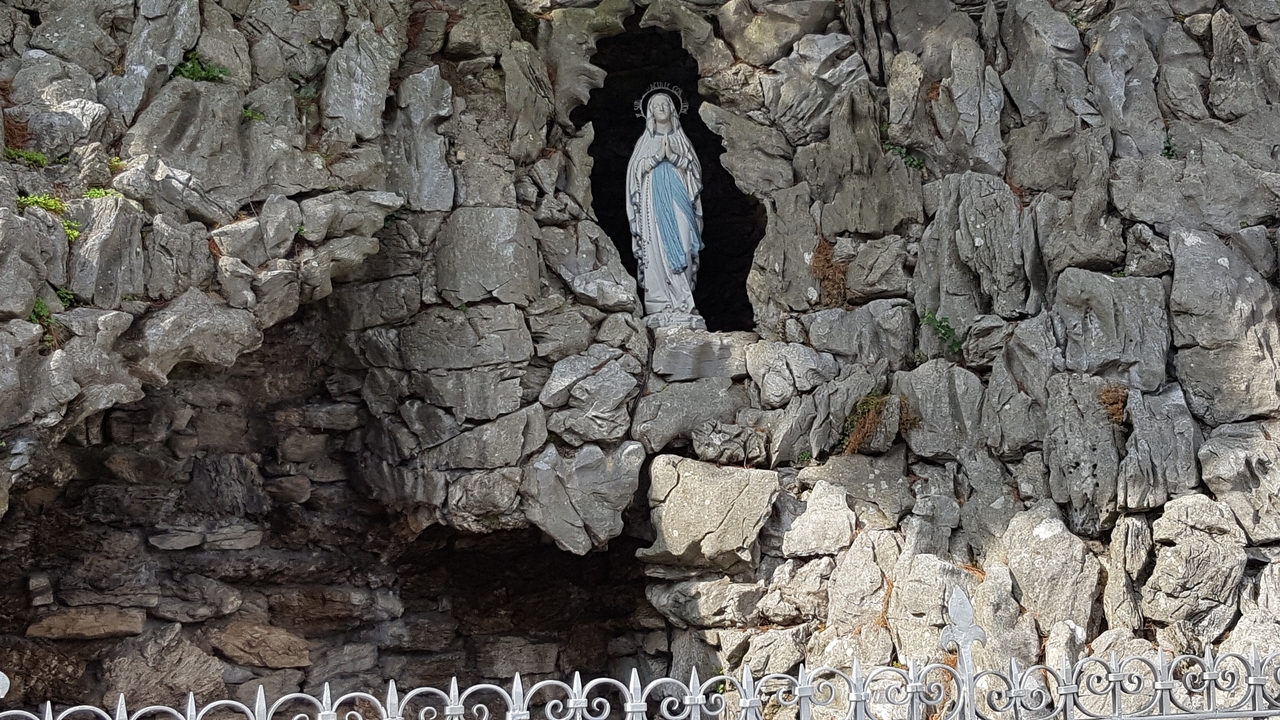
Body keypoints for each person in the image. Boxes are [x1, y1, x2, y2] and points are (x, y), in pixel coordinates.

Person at [625, 90, 706, 330]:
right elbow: (633, 177)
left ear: (673, 109)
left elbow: (695, 175)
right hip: (653, 205)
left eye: (665, 104)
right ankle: (660, 304)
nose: (660, 108)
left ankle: (684, 301)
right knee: (656, 247)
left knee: (683, 241)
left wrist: (674, 157)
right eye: (655, 105)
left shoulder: (682, 140)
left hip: (678, 197)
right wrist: (655, 158)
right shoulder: (645, 142)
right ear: (649, 112)